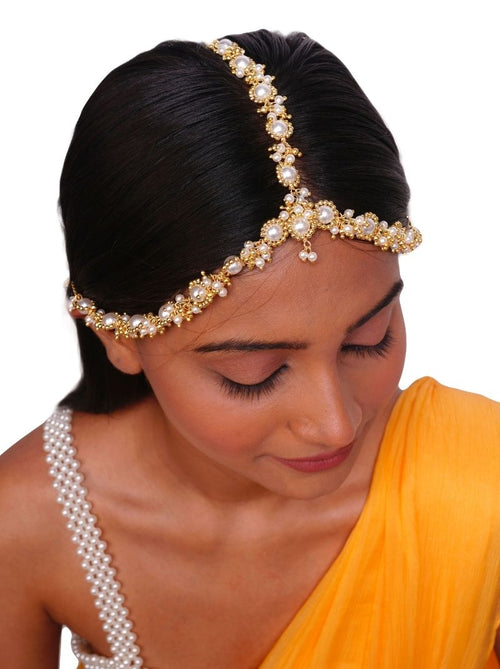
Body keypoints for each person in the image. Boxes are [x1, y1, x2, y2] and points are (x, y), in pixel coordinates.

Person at [0, 29, 498, 669]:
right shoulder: (28, 526)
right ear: (118, 335)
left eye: (369, 339)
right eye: (254, 374)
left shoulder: (480, 489)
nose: (335, 424)